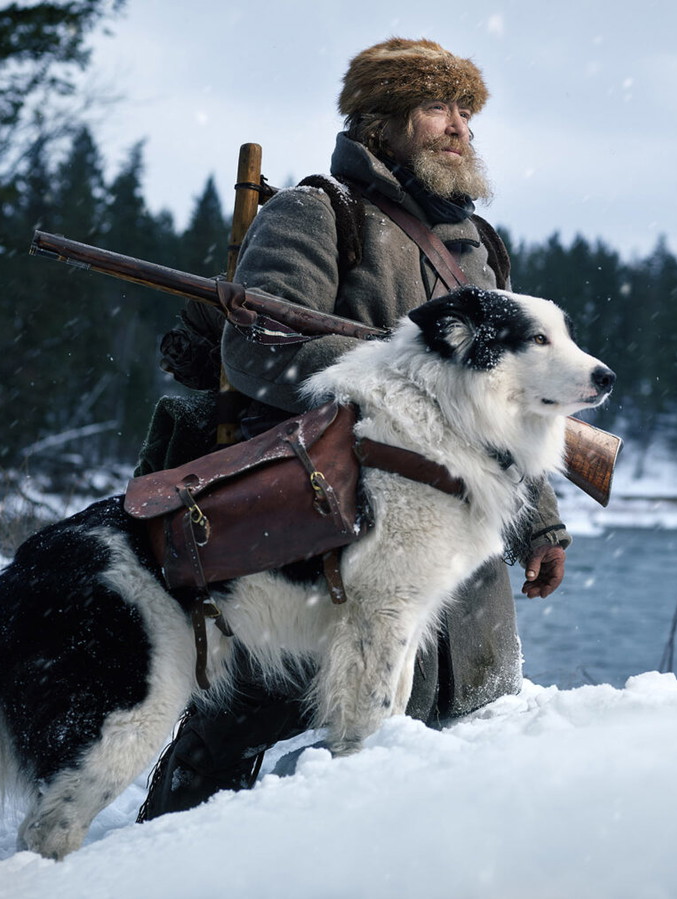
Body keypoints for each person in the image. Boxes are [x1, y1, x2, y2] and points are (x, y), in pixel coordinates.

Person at [138, 37, 571, 820]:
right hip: (320, 521)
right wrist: (412, 368)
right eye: (436, 107)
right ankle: (157, 866)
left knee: (461, 736)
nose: (459, 127)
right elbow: (261, 345)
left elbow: (508, 402)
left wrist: (539, 523)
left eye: (466, 110)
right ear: (381, 122)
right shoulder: (319, 212)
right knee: (236, 736)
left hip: (458, 542)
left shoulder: (481, 248)